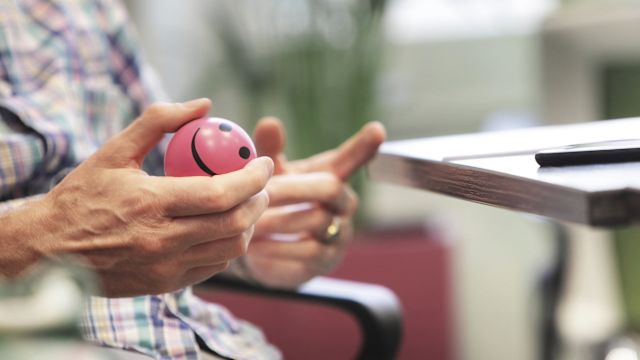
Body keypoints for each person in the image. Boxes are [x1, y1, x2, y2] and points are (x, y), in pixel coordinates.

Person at [0, 0, 385, 359]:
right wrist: (35, 239)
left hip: (209, 341)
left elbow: (151, 196)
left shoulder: (85, 9)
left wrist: (238, 227)